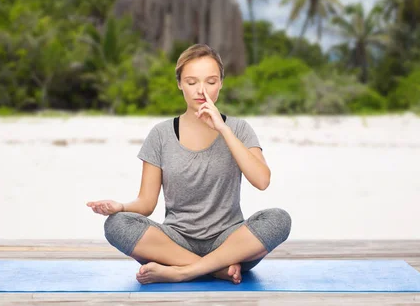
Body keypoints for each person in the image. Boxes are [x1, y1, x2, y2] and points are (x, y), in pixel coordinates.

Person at [86, 44, 291, 285]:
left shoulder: (239, 129)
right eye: (192, 82)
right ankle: (216, 270)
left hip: (230, 242)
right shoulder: (161, 134)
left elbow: (262, 180)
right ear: (179, 84)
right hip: (174, 241)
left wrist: (223, 129)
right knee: (117, 224)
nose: (201, 91)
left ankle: (184, 271)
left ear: (221, 83)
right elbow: (146, 203)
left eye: (211, 81)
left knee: (279, 219)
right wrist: (119, 206)